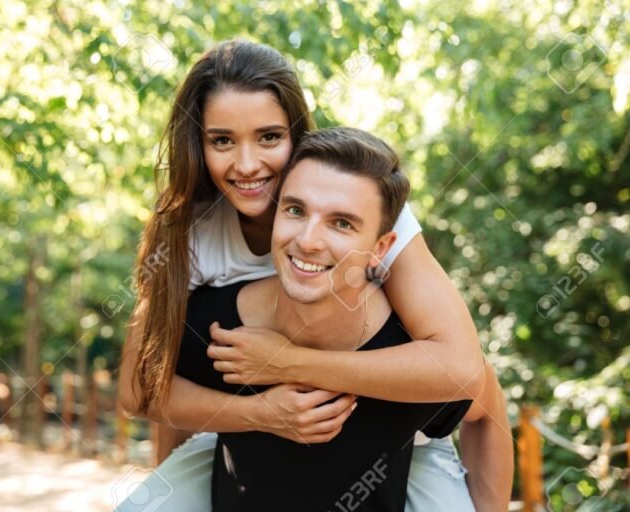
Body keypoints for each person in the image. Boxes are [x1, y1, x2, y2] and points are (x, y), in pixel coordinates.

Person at [116, 40, 512, 511]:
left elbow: (464, 370)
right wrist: (259, 413)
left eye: (268, 137)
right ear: (199, 145)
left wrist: (289, 363)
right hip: (247, 431)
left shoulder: (371, 208)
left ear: (297, 135)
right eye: (222, 140)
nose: (247, 165)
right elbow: (141, 387)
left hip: (405, 437)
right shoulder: (186, 235)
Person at [177, 127, 498, 511]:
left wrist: (290, 363)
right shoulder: (219, 328)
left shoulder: (410, 356)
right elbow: (152, 394)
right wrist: (255, 415)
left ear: (380, 249)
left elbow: (486, 408)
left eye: (342, 223)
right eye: (295, 210)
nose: (309, 240)